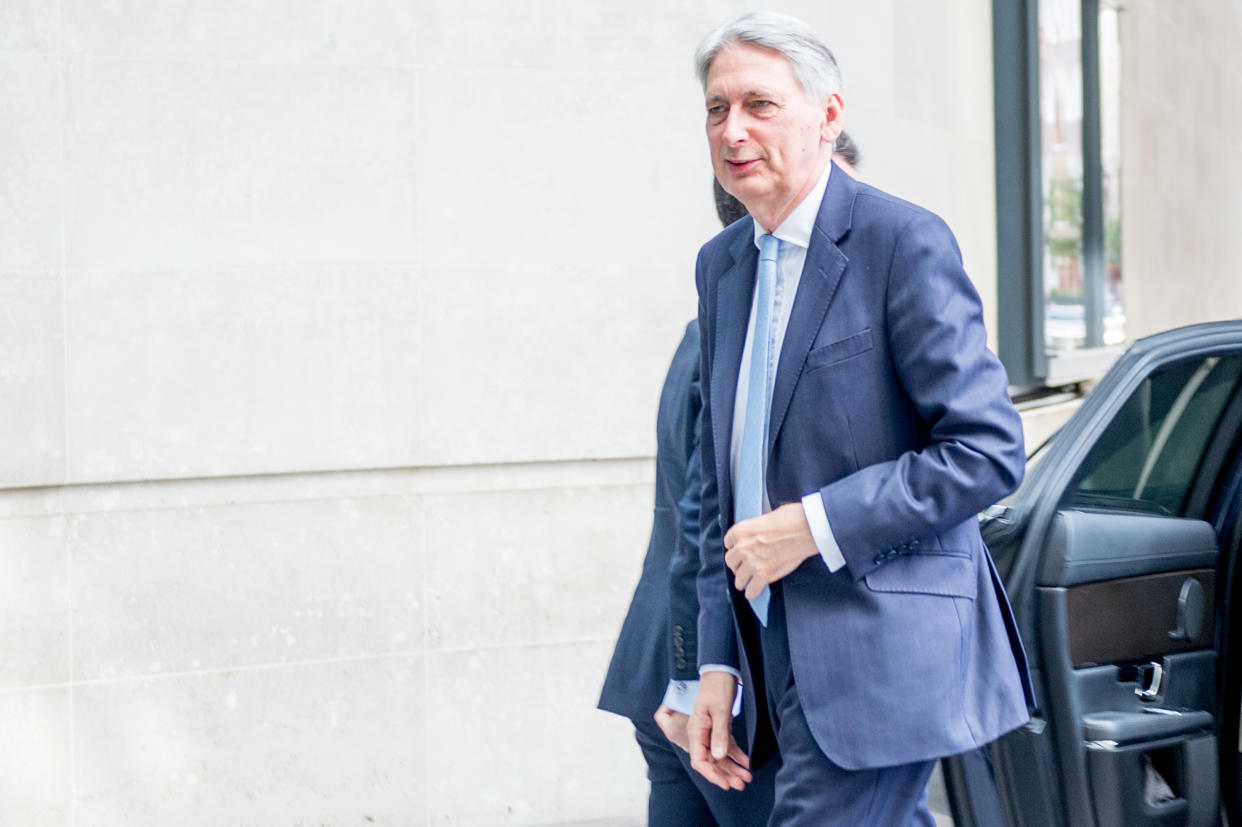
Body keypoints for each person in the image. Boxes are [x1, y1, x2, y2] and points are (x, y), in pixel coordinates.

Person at [684, 12, 1033, 826]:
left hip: (880, 649)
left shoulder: (900, 241)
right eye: (716, 109)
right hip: (768, 660)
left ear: (827, 115)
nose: (733, 129)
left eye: (759, 105)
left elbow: (986, 450)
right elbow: (717, 487)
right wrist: (713, 660)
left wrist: (813, 524)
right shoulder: (722, 266)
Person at [598, 202, 778, 826]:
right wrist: (688, 680)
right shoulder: (739, 345)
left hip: (669, 670)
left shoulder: (702, 330)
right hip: (708, 694)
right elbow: (702, 524)